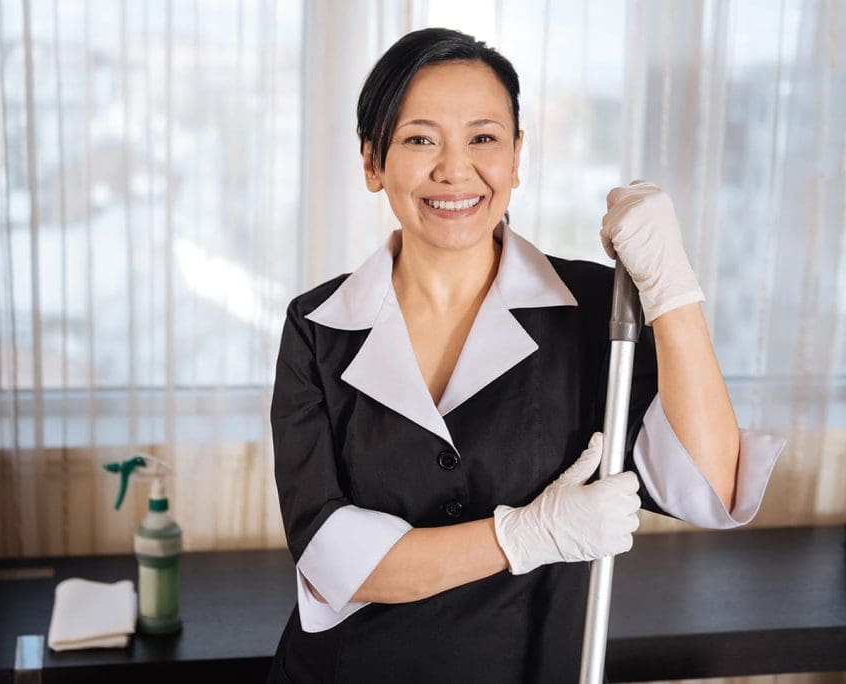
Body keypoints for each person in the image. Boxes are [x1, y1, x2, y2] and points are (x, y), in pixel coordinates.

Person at [267, 27, 785, 684]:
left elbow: (711, 488)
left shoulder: (595, 311)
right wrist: (524, 536)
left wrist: (672, 288)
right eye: (420, 140)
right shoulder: (319, 326)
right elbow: (330, 556)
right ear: (373, 162)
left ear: (517, 157)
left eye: (483, 138)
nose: (455, 169)